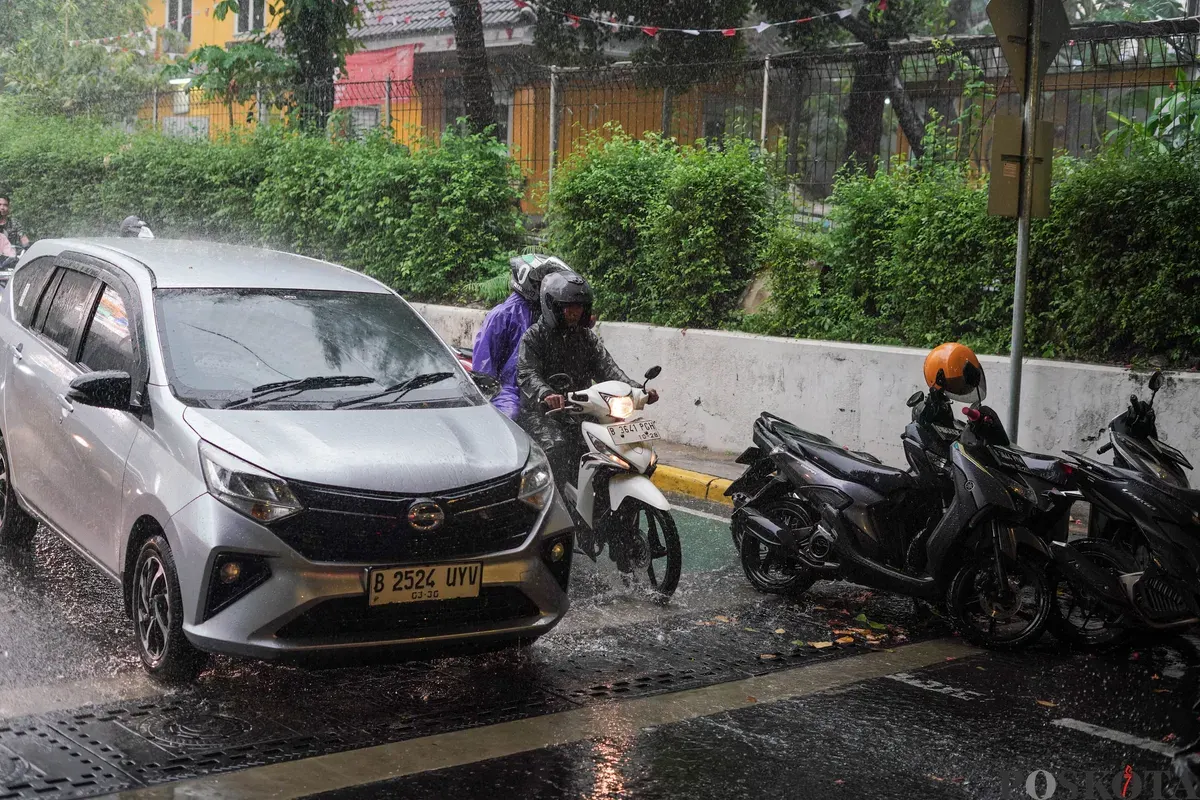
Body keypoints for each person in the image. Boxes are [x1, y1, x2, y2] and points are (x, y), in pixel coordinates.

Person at [517, 271, 658, 485]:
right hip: (544, 413)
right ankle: (554, 498)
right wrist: (546, 394)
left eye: (579, 306)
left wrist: (638, 390)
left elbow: (608, 368)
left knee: (616, 444)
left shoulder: (586, 337)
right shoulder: (534, 337)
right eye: (569, 306)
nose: (575, 312)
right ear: (553, 306)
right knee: (556, 446)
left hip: (582, 410)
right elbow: (527, 372)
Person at [471, 253, 571, 419]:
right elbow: (484, 367)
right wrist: (488, 394)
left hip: (541, 387)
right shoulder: (503, 314)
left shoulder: (548, 314)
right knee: (511, 417)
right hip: (507, 390)